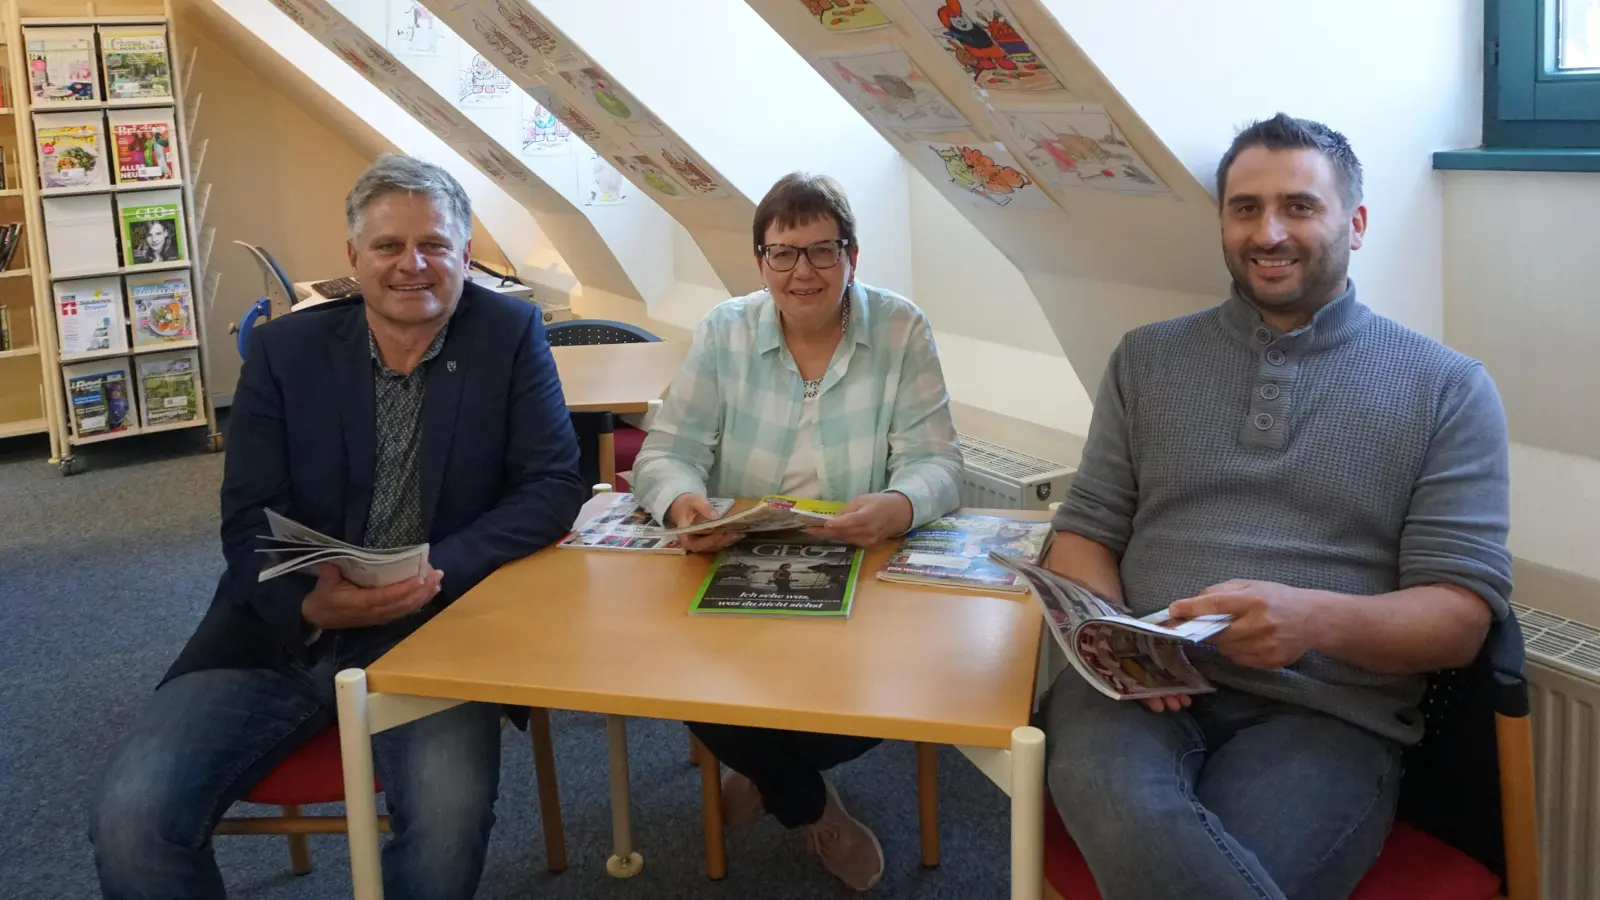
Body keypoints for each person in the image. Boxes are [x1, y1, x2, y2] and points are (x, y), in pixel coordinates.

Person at [1040, 113, 1513, 900]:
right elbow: (1084, 533)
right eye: (1245, 207)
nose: (1269, 232)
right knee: (1133, 817)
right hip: (1134, 699)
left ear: (1354, 224)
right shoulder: (1145, 359)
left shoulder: (1447, 389)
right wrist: (1119, 651)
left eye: (1299, 206)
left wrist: (1310, 621)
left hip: (1327, 715)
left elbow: (1460, 621)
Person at [88, 154, 586, 900]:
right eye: (388, 247)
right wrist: (306, 603)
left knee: (449, 824)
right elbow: (248, 509)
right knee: (131, 820)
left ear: (465, 254)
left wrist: (433, 570)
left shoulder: (508, 333)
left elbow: (551, 485)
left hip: (437, 627)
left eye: (434, 245)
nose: (411, 265)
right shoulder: (286, 351)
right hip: (280, 629)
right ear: (354, 258)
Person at [632, 171, 963, 891]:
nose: (802, 272)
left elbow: (938, 463)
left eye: (821, 251)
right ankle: (811, 806)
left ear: (852, 255)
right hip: (737, 559)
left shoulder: (901, 327)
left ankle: (764, 768)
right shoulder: (724, 330)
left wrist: (899, 506)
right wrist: (686, 504)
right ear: (761, 262)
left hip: (861, 568)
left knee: (874, 704)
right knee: (681, 680)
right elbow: (666, 453)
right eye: (782, 254)